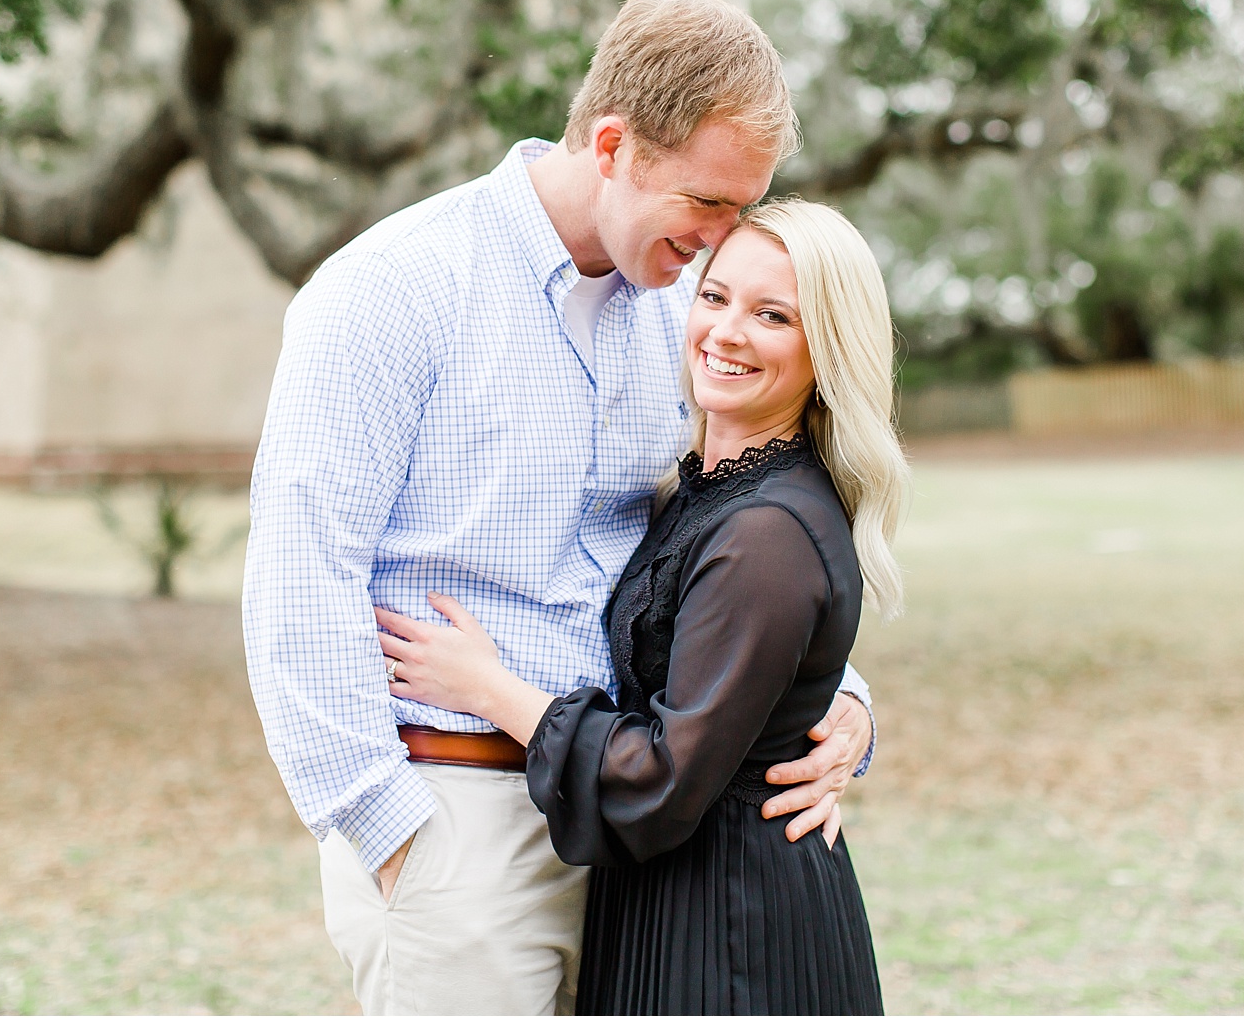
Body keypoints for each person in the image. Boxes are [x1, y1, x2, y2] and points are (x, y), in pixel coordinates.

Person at [242, 0, 879, 1016]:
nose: (725, 241)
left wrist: (837, 693)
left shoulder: (687, 305)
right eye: (709, 204)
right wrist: (388, 826)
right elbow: (297, 572)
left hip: (641, 840)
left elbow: (721, 535)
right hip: (456, 821)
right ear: (616, 145)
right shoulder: (393, 290)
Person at [378, 200, 906, 1014]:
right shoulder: (707, 490)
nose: (726, 332)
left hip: (732, 931)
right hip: (676, 902)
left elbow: (661, 776)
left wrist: (489, 689)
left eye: (773, 315)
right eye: (714, 296)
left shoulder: (767, 531)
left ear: (825, 349)